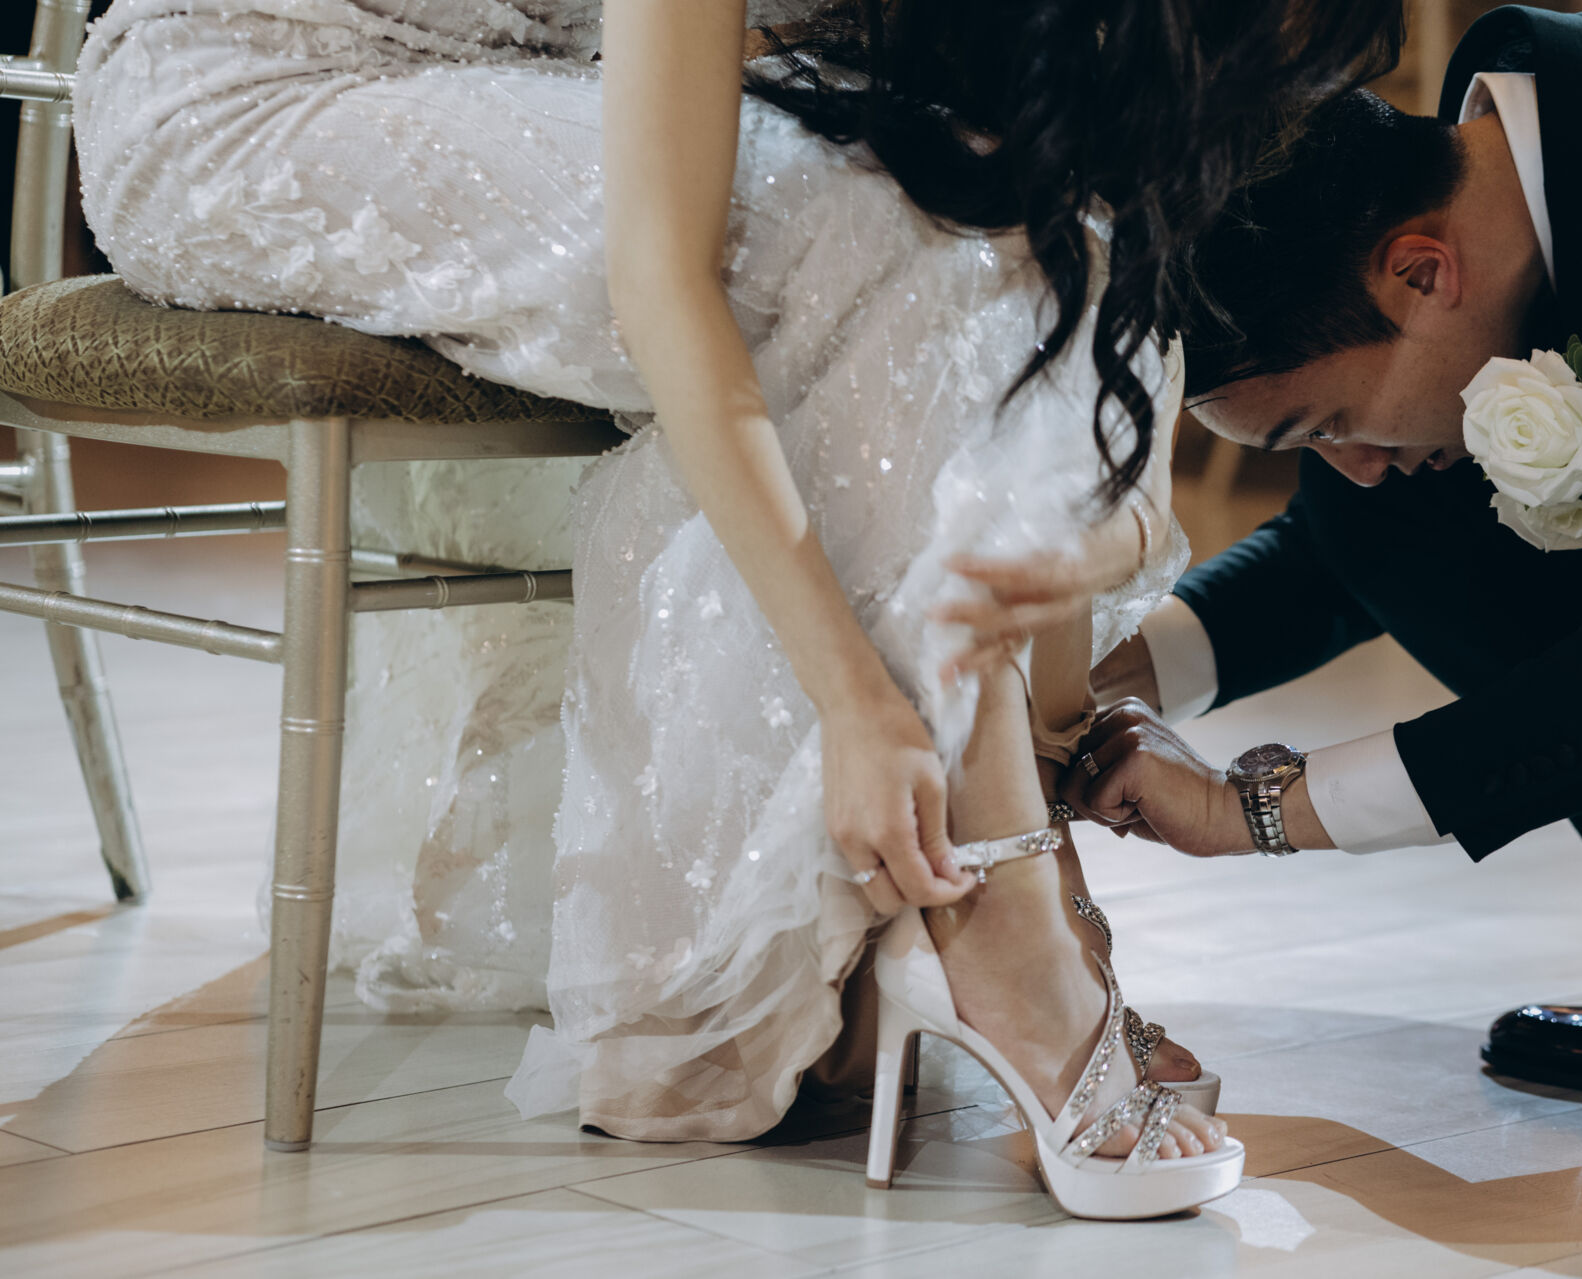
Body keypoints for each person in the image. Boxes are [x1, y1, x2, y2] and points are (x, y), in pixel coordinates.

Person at [71, 0, 1402, 1215]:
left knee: (999, 233)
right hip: (257, 91)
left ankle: (997, 890)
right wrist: (852, 698)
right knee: (873, 243)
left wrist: (1079, 640)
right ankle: (983, 922)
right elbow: (666, 280)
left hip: (545, 81)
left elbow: (1068, 230)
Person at [1052, 5, 1582, 1264]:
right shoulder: (1502, 174)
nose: (1345, 468)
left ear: (1420, 272)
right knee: (1407, 506)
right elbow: (1342, 553)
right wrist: (1101, 680)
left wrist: (1251, 810)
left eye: (1320, 426)